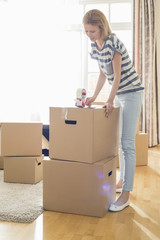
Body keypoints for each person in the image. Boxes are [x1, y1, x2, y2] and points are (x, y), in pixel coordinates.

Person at [83, 9, 144, 212]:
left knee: (127, 143)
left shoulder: (113, 42)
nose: (89, 35)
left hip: (132, 93)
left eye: (92, 31)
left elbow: (116, 76)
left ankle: (126, 195)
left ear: (101, 27)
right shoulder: (95, 46)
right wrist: (94, 97)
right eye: (86, 31)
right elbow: (103, 75)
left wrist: (109, 100)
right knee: (119, 142)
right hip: (119, 94)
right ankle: (121, 182)